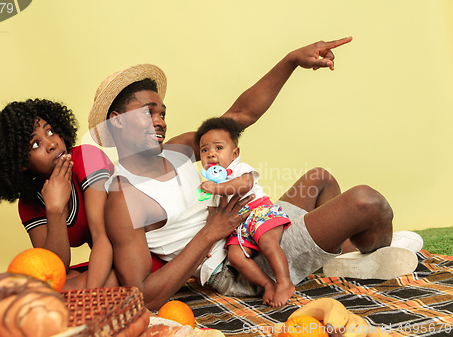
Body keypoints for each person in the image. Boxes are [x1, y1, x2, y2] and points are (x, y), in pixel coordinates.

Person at [88, 37, 418, 310]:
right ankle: (376, 250)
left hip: (255, 226)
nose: (160, 121)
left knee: (320, 179)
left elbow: (240, 114)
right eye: (148, 113)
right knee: (367, 201)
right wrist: (210, 232)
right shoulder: (124, 197)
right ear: (116, 120)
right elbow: (143, 296)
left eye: (162, 113)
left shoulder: (177, 150)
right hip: (240, 262)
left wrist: (290, 61)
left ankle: (348, 257)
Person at [0, 99, 118, 290]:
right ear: (21, 163)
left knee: (55, 290)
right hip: (106, 259)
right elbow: (54, 267)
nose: (52, 144)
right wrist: (55, 210)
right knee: (43, 285)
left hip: (138, 249)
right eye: (35, 144)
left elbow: (102, 236)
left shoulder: (87, 158)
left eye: (50, 132)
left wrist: (89, 292)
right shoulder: (29, 203)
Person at [195, 117, 294, 307]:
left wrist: (218, 188)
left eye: (218, 148)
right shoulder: (210, 186)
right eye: (204, 150)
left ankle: (285, 282)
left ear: (235, 154)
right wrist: (208, 242)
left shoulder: (239, 169)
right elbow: (212, 216)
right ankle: (268, 283)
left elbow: (244, 184)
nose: (211, 154)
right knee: (235, 256)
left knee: (267, 242)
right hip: (239, 229)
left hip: (259, 214)